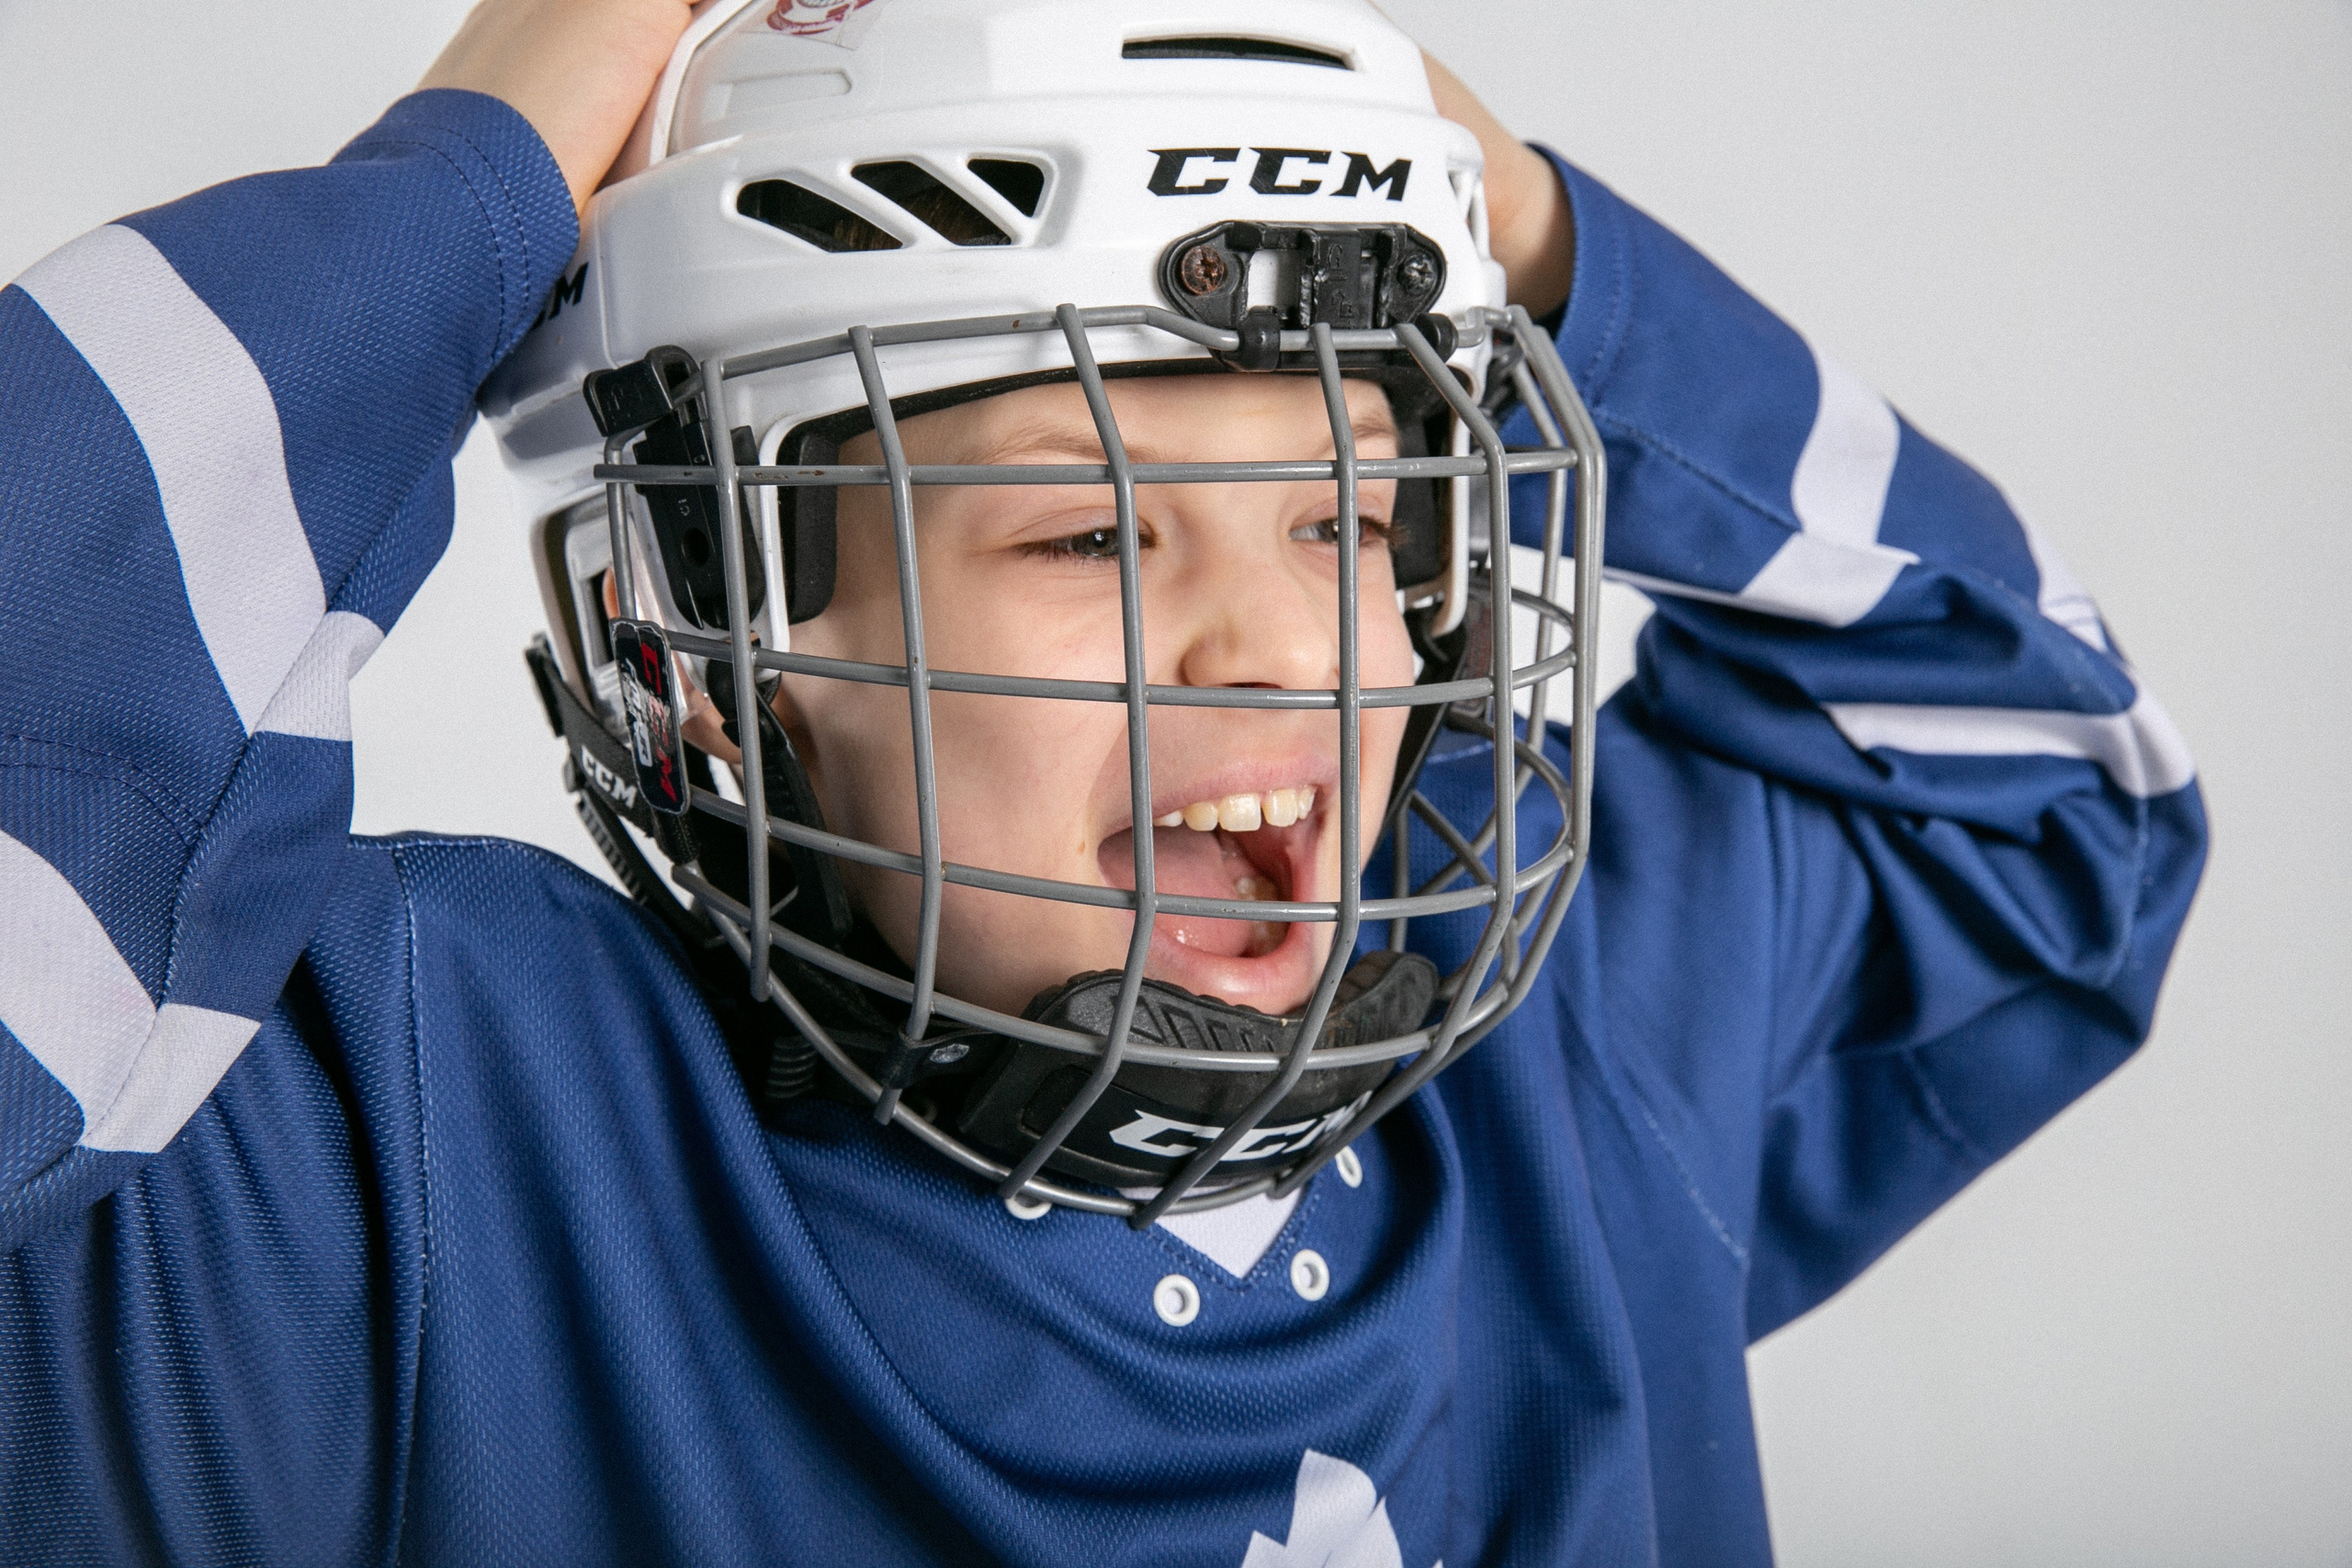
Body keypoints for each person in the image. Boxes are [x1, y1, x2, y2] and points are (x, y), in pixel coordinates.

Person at [0, 1, 2207, 1564]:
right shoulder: (415, 1122)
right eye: (1084, 533)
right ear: (714, 640)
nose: (1276, 648)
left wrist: (1535, 244)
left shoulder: (1561, 1026)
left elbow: (2056, 777)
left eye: (1351, 522)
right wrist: (457, 187)